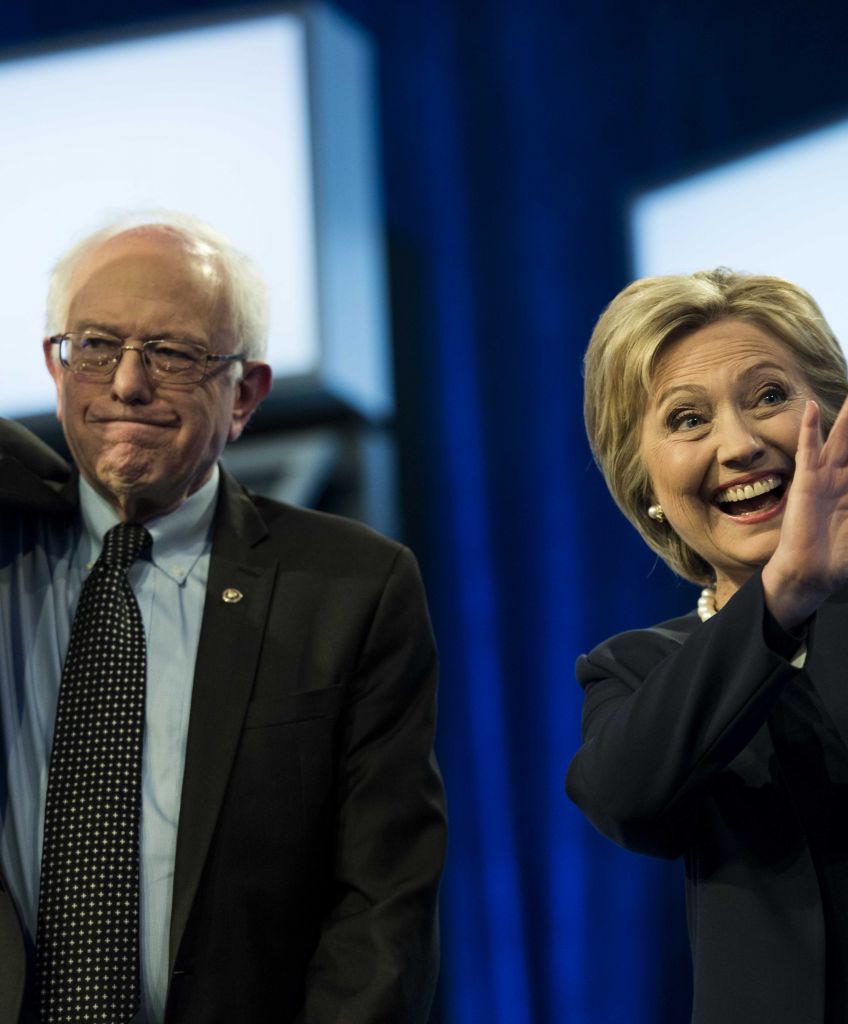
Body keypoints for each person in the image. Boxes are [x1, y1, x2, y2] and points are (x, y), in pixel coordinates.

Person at [0, 212, 446, 1023]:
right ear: (57, 369)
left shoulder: (352, 588)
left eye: (171, 355)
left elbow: (383, 909)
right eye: (96, 346)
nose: (128, 383)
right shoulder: (5, 550)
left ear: (244, 394)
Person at [566, 268, 848, 1024]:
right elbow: (627, 798)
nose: (741, 444)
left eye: (769, 397)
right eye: (688, 419)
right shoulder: (635, 669)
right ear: (646, 482)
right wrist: (782, 594)